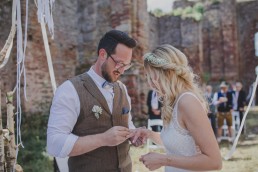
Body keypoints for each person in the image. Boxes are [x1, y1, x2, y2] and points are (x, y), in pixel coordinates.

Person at [47, 30, 144, 172]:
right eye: (119, 63)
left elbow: (127, 123)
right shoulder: (70, 90)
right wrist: (103, 139)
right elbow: (54, 144)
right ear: (103, 55)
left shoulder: (122, 88)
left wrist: (133, 134)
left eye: (126, 65)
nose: (122, 71)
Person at [133, 44, 222, 171]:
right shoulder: (173, 102)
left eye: (152, 77)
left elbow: (214, 162)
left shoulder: (187, 102)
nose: (150, 84)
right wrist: (149, 134)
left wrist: (163, 160)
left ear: (167, 73)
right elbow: (179, 145)